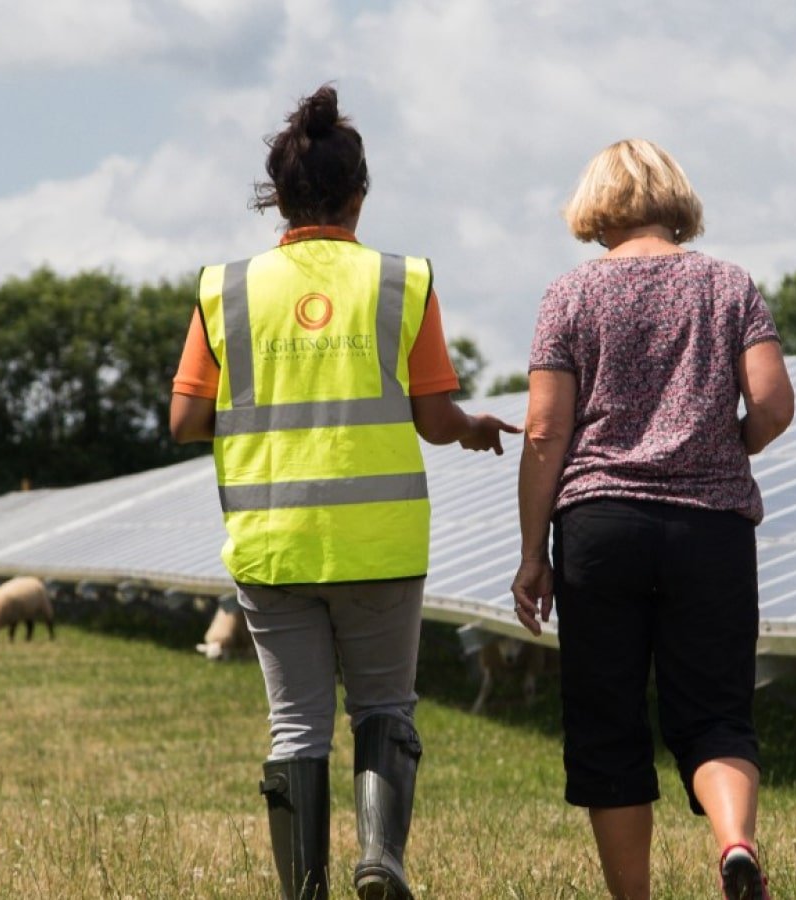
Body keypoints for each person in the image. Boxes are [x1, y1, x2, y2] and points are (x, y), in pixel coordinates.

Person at [167, 83, 518, 900]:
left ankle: (305, 892)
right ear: (360, 194)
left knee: (296, 727)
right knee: (384, 707)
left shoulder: (226, 289)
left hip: (273, 542)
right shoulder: (403, 281)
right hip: (382, 544)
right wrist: (471, 428)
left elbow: (187, 418)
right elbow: (434, 418)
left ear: (277, 198)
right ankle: (380, 859)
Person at [507, 137, 794, 900]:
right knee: (717, 713)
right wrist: (728, 447)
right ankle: (734, 844)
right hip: (711, 526)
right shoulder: (729, 286)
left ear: (596, 206)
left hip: (600, 528)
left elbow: (544, 432)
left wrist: (533, 551)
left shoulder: (569, 296)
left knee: (609, 723)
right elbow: (773, 404)